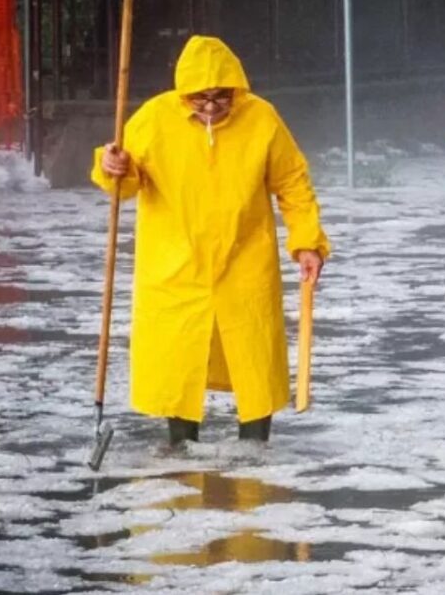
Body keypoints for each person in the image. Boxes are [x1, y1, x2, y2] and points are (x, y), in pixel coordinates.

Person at [91, 35, 330, 446]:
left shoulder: (262, 119)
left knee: (254, 356)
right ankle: (181, 444)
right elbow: (124, 179)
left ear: (236, 90)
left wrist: (306, 240)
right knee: (178, 357)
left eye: (221, 97)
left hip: (245, 259)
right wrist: (112, 164)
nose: (211, 106)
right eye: (201, 97)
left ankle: (255, 445)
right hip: (174, 265)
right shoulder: (153, 118)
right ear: (184, 94)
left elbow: (292, 181)